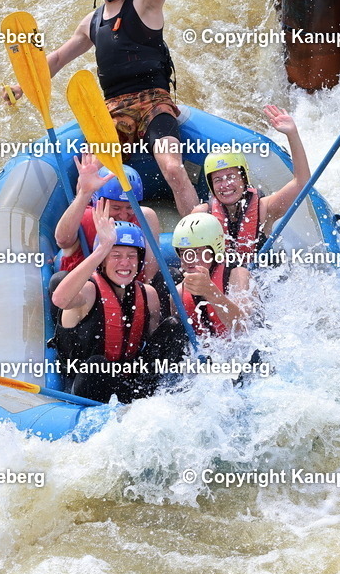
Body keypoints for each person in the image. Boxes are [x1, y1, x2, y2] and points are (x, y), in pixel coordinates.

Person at [4, 0, 199, 216]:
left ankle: (198, 237)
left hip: (154, 103)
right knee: (94, 176)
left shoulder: (144, 4)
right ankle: (104, 246)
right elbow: (56, 59)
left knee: (174, 168)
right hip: (110, 112)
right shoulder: (91, 23)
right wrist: (22, 86)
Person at [51, 204, 185, 403]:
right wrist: (103, 248)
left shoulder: (148, 295)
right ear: (103, 261)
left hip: (128, 382)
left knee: (175, 327)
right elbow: (59, 299)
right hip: (86, 382)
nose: (125, 263)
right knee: (97, 366)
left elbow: (152, 348)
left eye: (131, 256)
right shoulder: (88, 291)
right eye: (116, 256)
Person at [196, 105, 311, 261]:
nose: (225, 185)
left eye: (231, 177)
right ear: (211, 186)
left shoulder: (264, 209)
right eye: (217, 180)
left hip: (261, 280)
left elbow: (301, 182)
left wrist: (292, 134)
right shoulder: (202, 214)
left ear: (244, 179)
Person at [54, 153, 160, 282]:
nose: (123, 215)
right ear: (99, 201)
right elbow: (62, 240)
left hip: (129, 289)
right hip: (86, 292)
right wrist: (84, 193)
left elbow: (149, 275)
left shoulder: (145, 217)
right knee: (58, 280)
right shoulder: (85, 216)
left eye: (129, 207)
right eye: (116, 208)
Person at [172, 213, 253, 339]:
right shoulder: (178, 293)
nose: (188, 259)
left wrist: (211, 292)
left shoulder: (238, 275)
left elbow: (243, 328)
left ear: (214, 250)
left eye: (196, 251)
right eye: (183, 252)